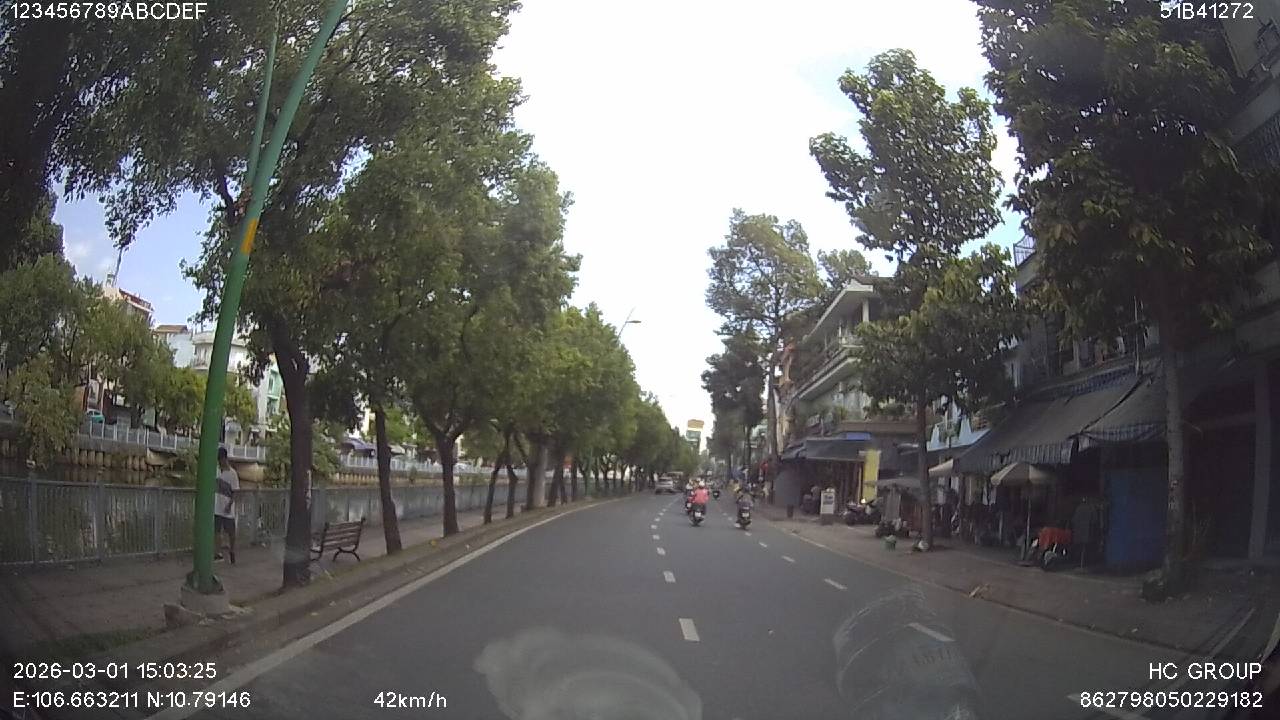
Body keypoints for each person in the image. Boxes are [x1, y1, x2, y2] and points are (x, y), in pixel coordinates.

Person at [215, 445, 240, 564]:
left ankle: (232, 550)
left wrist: (229, 505)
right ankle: (218, 553)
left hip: (227, 507)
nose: (219, 462)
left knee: (231, 532)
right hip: (217, 506)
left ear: (225, 458)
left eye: (220, 459)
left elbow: (235, 492)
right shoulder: (217, 471)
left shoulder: (232, 474)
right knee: (217, 531)